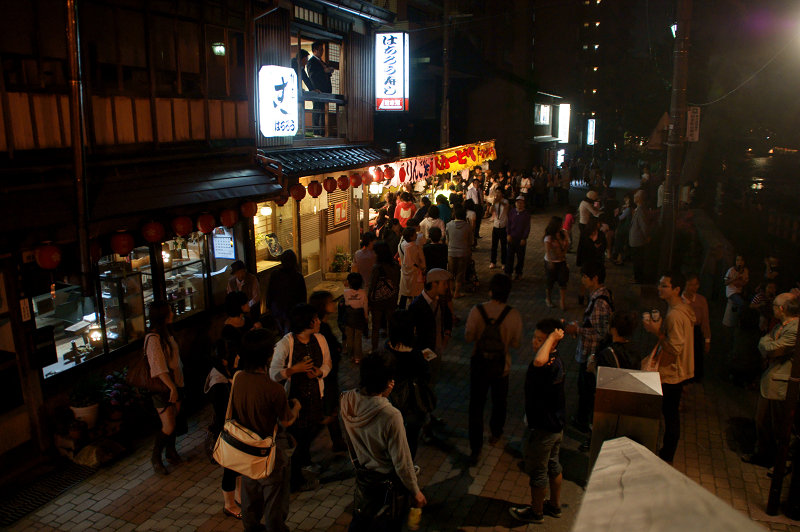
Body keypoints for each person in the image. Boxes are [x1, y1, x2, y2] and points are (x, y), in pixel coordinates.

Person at [340, 354, 427, 531]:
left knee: (361, 522)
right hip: (387, 483)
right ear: (387, 382)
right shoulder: (391, 415)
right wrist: (415, 491)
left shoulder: (346, 399)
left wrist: (383, 395)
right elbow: (402, 462)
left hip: (364, 478)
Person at [231, 328, 301, 532]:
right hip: (269, 453)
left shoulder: (239, 378)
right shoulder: (274, 389)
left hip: (246, 451)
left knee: (250, 497)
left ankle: (251, 528)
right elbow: (287, 421)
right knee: (274, 504)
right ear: (268, 356)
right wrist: (296, 407)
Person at [270, 304, 332, 491]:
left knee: (311, 430)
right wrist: (293, 370)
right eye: (315, 319)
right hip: (295, 399)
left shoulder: (320, 339)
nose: (319, 322)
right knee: (297, 437)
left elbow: (327, 363)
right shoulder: (285, 344)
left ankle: (305, 463)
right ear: (306, 322)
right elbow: (273, 373)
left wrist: (320, 372)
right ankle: (296, 478)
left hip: (315, 396)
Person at [509, 319, 565, 524]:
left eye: (540, 340)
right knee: (553, 465)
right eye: (535, 337)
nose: (535, 342)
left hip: (544, 427)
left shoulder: (546, 362)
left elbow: (539, 361)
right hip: (555, 425)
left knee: (539, 471)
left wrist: (551, 338)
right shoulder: (555, 360)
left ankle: (536, 511)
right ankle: (555, 505)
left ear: (552, 343)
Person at [464, 273, 523, 463]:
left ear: (490, 291)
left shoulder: (477, 311)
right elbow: (516, 343)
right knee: (499, 402)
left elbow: (468, 337)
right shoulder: (513, 315)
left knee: (476, 405)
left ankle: (475, 448)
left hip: (479, 364)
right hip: (501, 366)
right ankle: (496, 433)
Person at [641, 272, 696, 463]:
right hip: (677, 371)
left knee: (670, 414)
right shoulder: (681, 309)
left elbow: (675, 348)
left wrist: (657, 332)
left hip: (673, 372)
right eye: (660, 284)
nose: (660, 288)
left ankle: (666, 455)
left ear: (676, 289)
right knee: (670, 413)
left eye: (664, 286)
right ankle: (666, 452)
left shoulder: (675, 315)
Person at [206, 292, 253, 517]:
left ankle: (238, 497)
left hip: (235, 428)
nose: (237, 359)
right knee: (231, 467)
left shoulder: (229, 375)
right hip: (228, 431)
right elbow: (223, 412)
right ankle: (229, 504)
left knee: (238, 464)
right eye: (234, 356)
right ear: (224, 360)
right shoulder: (219, 384)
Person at [741, 293, 798, 467]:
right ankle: (764, 454)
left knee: (777, 425)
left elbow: (771, 349)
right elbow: (767, 341)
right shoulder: (782, 325)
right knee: (764, 422)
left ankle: (777, 461)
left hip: (780, 385)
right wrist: (767, 342)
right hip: (772, 381)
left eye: (774, 306)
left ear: (782, 308)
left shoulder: (794, 329)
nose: (772, 309)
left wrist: (766, 343)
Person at [564, 262, 613, 433]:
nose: (582, 280)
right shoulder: (600, 295)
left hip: (591, 354)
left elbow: (600, 333)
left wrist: (576, 330)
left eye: (585, 276)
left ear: (595, 278)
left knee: (587, 389)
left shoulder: (600, 302)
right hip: (589, 351)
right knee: (585, 387)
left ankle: (584, 421)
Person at [146, 301, 185, 476]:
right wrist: (171, 387)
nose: (172, 314)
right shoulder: (153, 339)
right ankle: (156, 457)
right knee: (168, 424)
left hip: (176, 382)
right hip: (164, 387)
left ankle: (171, 452)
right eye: (169, 312)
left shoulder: (166, 333)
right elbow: (158, 368)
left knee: (174, 419)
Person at [385, 311, 431, 458]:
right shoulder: (416, 354)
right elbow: (426, 374)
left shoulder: (387, 348)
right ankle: (408, 464)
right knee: (411, 436)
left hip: (391, 399)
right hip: (413, 401)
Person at [308, 291, 346, 453]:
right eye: (330, 302)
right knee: (328, 412)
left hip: (329, 375)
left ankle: (338, 442)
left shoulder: (324, 326)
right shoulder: (320, 329)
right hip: (325, 377)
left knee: (331, 410)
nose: (334, 304)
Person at [368, 241, 401, 354]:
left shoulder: (377, 268)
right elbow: (396, 284)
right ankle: (392, 347)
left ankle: (374, 349)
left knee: (375, 326)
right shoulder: (395, 266)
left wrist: (369, 301)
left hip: (377, 301)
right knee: (391, 325)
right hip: (391, 299)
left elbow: (372, 286)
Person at [267, 250, 307, 334]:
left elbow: (270, 292)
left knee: (282, 331)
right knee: (289, 333)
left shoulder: (275, 274)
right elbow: (303, 296)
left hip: (277, 309)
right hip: (292, 311)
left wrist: (269, 306)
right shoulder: (298, 276)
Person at [682, 274, 711, 382]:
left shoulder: (701, 300)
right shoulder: (679, 300)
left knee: (695, 357)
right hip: (683, 331)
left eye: (696, 284)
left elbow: (705, 321)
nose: (693, 288)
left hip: (695, 331)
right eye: (690, 285)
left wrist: (707, 340)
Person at [576, 218, 606, 305]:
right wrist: (579, 262)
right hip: (587, 261)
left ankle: (591, 298)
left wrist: (598, 248)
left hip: (597, 261)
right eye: (598, 223)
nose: (599, 225)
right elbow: (580, 248)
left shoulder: (601, 234)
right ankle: (581, 296)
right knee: (585, 281)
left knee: (595, 281)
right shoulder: (584, 234)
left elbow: (604, 246)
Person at [446, 205, 473, 299]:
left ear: (455, 215)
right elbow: (470, 242)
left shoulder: (448, 225)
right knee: (460, 273)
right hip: (463, 252)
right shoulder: (468, 226)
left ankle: (451, 291)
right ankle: (457, 292)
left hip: (451, 252)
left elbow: (447, 239)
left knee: (451, 272)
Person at [306, 41, 334, 134]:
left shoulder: (321, 61)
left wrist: (329, 71)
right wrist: (324, 71)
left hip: (325, 89)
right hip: (317, 89)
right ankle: (316, 131)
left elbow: (325, 73)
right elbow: (312, 76)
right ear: (314, 50)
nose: (322, 52)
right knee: (317, 110)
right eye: (320, 50)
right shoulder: (311, 62)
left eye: (322, 50)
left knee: (323, 110)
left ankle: (322, 131)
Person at [543, 216, 570, 310]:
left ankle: (562, 301)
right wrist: (550, 262)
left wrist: (563, 253)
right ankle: (548, 299)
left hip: (561, 261)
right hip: (551, 261)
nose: (561, 226)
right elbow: (547, 251)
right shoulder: (549, 237)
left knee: (563, 281)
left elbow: (567, 243)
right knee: (550, 282)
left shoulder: (564, 233)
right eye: (560, 224)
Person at [343, 272, 369, 364]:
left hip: (349, 317)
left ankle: (351, 355)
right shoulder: (363, 292)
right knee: (358, 337)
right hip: (359, 317)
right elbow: (365, 305)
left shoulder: (345, 292)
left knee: (349, 337)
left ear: (349, 282)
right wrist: (366, 316)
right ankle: (358, 356)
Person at [398, 226, 426, 310]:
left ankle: (401, 310)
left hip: (404, 271)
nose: (416, 235)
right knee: (416, 293)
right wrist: (423, 268)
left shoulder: (401, 244)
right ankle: (415, 310)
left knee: (404, 293)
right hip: (415, 273)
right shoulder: (416, 247)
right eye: (415, 234)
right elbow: (422, 260)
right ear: (411, 237)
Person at [505, 195, 531, 280]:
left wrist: (524, 238)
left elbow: (527, 227)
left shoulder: (526, 214)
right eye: (518, 202)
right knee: (509, 256)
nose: (519, 204)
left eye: (521, 203)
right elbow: (508, 223)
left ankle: (518, 272)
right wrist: (508, 234)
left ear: (524, 204)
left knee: (520, 257)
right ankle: (508, 272)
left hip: (520, 239)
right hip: (512, 237)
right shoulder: (512, 212)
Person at [628, 189, 650, 284]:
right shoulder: (639, 209)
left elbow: (644, 226)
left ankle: (638, 278)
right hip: (637, 240)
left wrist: (647, 237)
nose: (634, 197)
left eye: (636, 196)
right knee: (637, 260)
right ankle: (637, 277)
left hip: (638, 240)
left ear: (639, 198)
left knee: (638, 261)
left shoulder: (640, 210)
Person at [724, 254, 749, 325]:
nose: (739, 262)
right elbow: (725, 282)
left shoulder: (745, 271)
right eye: (737, 260)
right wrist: (733, 279)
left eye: (741, 260)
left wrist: (741, 283)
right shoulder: (731, 270)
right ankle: (738, 321)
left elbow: (745, 281)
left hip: (739, 291)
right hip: (731, 292)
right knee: (741, 303)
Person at [489, 189, 509, 270]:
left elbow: (507, 207)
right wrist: (494, 203)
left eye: (498, 192)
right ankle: (493, 262)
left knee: (503, 246)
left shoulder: (505, 201)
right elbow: (490, 211)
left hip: (503, 225)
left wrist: (500, 201)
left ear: (502, 193)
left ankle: (504, 262)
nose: (497, 194)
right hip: (496, 225)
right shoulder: (495, 202)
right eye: (496, 192)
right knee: (494, 245)